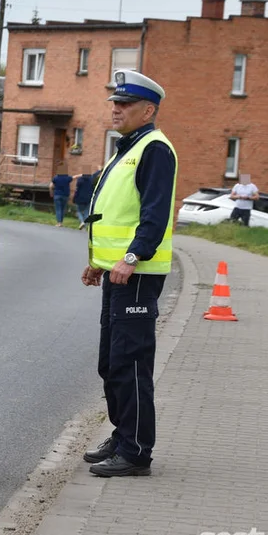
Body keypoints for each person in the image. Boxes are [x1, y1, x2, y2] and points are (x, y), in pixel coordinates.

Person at [80, 70, 178, 478]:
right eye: (115, 103)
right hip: (116, 274)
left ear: (148, 109)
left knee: (131, 362)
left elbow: (154, 215)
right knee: (111, 361)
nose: (116, 109)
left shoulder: (155, 149)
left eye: (125, 104)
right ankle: (123, 435)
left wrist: (132, 257)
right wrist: (99, 262)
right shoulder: (129, 147)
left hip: (136, 275)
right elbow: (117, 212)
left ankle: (136, 450)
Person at [72, 165, 101, 230]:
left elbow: (77, 189)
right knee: (86, 212)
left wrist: (74, 198)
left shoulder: (80, 180)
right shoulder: (91, 178)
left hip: (79, 198)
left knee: (79, 211)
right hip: (89, 198)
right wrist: (99, 169)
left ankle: (82, 222)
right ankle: (85, 225)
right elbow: (96, 174)